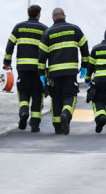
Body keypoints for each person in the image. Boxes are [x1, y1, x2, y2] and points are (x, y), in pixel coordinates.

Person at [38, 7, 89, 135]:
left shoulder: (47, 33)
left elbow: (42, 56)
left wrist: (42, 74)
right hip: (70, 71)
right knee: (70, 96)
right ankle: (66, 113)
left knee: (56, 97)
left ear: (53, 18)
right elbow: (84, 46)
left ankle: (57, 127)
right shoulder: (75, 29)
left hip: (54, 72)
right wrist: (84, 65)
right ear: (64, 16)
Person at [4, 4, 47, 132]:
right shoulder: (44, 29)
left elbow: (10, 45)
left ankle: (23, 112)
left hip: (23, 67)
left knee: (23, 92)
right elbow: (48, 50)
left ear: (28, 14)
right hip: (38, 69)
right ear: (38, 14)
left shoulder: (19, 27)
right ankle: (35, 124)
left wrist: (7, 62)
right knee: (37, 94)